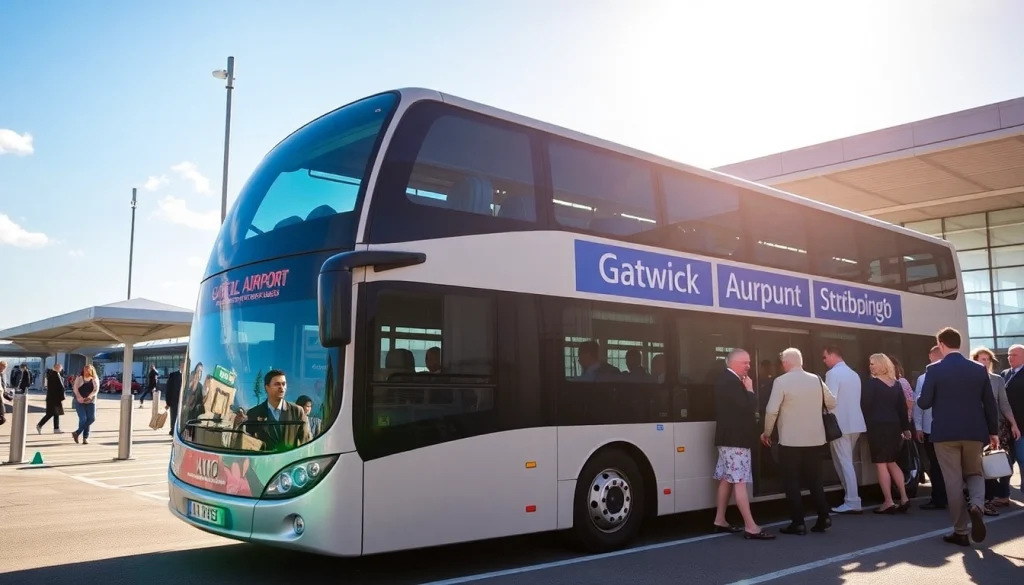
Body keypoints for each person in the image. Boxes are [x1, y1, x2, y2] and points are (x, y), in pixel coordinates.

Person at [918, 327, 999, 547]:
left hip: (944, 434)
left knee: (953, 481)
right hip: (975, 431)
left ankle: (961, 531)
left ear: (941, 344)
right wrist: (994, 432)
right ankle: (977, 506)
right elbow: (990, 403)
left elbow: (924, 402)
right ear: (960, 344)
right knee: (975, 472)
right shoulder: (978, 369)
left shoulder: (934, 370)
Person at [762, 348, 836, 535]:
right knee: (815, 480)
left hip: (791, 441)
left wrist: (767, 433)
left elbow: (771, 410)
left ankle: (798, 523)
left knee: (791, 482)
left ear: (786, 363)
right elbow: (832, 403)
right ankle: (824, 516)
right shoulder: (817, 379)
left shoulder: (781, 381)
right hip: (815, 439)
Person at [712, 348, 774, 540]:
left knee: (726, 479)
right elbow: (747, 406)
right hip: (736, 440)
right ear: (732, 363)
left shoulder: (725, 380)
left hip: (727, 439)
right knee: (739, 482)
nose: (748, 366)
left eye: (748, 362)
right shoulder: (731, 382)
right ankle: (751, 526)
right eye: (744, 362)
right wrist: (750, 390)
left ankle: (720, 519)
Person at [862, 353, 913, 514]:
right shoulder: (896, 384)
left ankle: (888, 501)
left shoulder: (872, 384)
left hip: (877, 427)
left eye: (873, 363)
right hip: (894, 427)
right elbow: (902, 409)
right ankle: (904, 497)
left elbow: (865, 406)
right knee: (892, 461)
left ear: (881, 365)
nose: (870, 366)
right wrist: (906, 428)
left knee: (881, 464)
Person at [971, 347, 1020, 513]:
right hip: (975, 426)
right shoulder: (969, 378)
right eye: (981, 359)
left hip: (997, 427)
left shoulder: (997, 379)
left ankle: (996, 497)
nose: (984, 362)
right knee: (978, 463)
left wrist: (1013, 423)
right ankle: (983, 498)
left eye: (987, 359)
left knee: (997, 462)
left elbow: (1004, 404)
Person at [822, 345, 866, 514]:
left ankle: (852, 500)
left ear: (834, 355)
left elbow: (830, 400)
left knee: (843, 462)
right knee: (847, 461)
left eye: (825, 357)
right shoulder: (854, 374)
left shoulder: (832, 374)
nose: (824, 361)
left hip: (840, 425)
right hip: (855, 423)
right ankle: (851, 498)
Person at [234, 370, 311, 451]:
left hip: (290, 461)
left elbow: (306, 442)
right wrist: (239, 424)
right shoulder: (254, 413)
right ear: (267, 387)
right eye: (277, 384)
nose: (281, 388)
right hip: (263, 461)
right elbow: (246, 443)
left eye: (284, 384)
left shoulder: (297, 412)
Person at [914, 345, 947, 510]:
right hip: (949, 427)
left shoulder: (924, 378)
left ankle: (939, 498)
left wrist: (918, 426)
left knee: (935, 464)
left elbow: (919, 404)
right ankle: (951, 496)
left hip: (931, 428)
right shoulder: (953, 375)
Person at [1002, 344, 1024, 501]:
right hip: (1005, 429)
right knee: (1005, 462)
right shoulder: (1004, 374)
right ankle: (1003, 494)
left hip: (1022, 427)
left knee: (1022, 460)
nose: (1010, 358)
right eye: (1009, 355)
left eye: (1014, 355)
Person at [72, 365, 100, 444]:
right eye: (85, 370)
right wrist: (80, 398)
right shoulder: (79, 378)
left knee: (91, 418)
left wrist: (89, 397)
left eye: (88, 370)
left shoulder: (94, 379)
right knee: (83, 419)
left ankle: (78, 433)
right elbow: (75, 389)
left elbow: (96, 389)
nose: (86, 372)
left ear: (92, 371)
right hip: (80, 401)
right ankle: (84, 437)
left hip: (91, 401)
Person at [37, 363, 66, 434]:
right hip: (53, 398)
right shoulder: (53, 375)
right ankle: (40, 424)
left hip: (55, 398)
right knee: (51, 413)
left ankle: (56, 428)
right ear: (57, 367)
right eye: (61, 368)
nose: (61, 369)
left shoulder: (55, 374)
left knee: (56, 413)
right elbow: (55, 388)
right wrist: (61, 396)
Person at [165, 362, 183, 437]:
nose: (183, 367)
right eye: (182, 365)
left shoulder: (189, 375)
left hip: (184, 401)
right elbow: (168, 389)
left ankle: (181, 431)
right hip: (174, 400)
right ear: (180, 366)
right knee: (174, 416)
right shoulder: (173, 375)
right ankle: (173, 431)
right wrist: (168, 402)